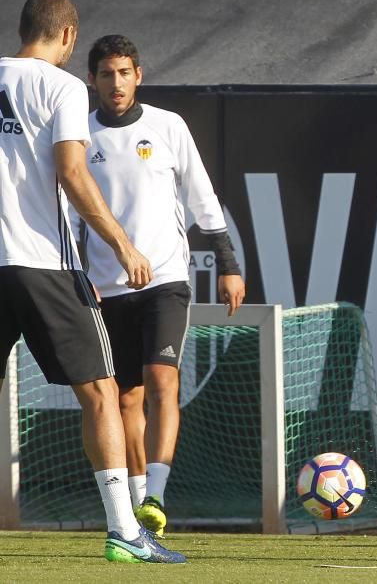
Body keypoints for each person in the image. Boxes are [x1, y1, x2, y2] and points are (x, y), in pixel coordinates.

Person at [0, 0, 185, 563]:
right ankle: (126, 532)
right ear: (69, 36)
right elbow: (71, 171)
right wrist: (121, 243)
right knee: (103, 393)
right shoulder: (60, 87)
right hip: (42, 263)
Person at [78, 34, 246, 538]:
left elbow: (202, 197)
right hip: (107, 288)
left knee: (162, 380)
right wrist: (80, 280)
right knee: (124, 398)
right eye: (106, 74)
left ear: (139, 75)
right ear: (93, 80)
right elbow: (69, 216)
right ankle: (133, 511)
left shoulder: (168, 126)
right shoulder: (80, 138)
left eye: (124, 72)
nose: (116, 83)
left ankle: (156, 493)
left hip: (167, 279)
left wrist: (228, 263)